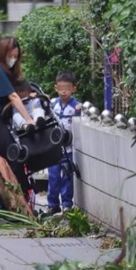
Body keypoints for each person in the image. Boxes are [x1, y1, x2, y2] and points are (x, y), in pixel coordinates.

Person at [0, 37, 34, 207]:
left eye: (16, 56)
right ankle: (16, 203)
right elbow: (13, 96)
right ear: (2, 54)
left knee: (8, 161)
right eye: (11, 55)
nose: (13, 59)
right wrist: (29, 119)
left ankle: (3, 207)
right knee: (14, 157)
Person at [47, 71, 82, 215]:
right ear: (56, 88)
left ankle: (67, 204)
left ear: (74, 89)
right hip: (54, 148)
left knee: (67, 176)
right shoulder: (52, 105)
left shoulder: (77, 107)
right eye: (60, 88)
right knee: (53, 176)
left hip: (68, 149)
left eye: (67, 88)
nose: (63, 91)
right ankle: (52, 204)